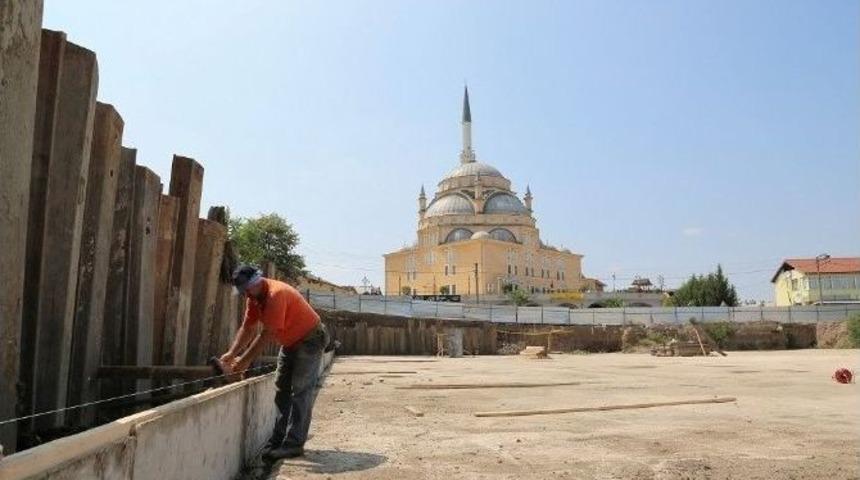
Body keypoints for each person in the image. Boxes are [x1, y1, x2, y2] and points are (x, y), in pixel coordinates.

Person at [220, 265, 329, 460]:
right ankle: (278, 440)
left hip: (310, 339)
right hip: (289, 342)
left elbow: (266, 334)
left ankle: (294, 444)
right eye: (242, 291)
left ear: (256, 282)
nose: (245, 294)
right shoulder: (253, 299)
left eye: (246, 289)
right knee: (282, 389)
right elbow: (248, 328)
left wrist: (243, 363)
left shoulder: (275, 295)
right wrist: (231, 353)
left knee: (301, 391)